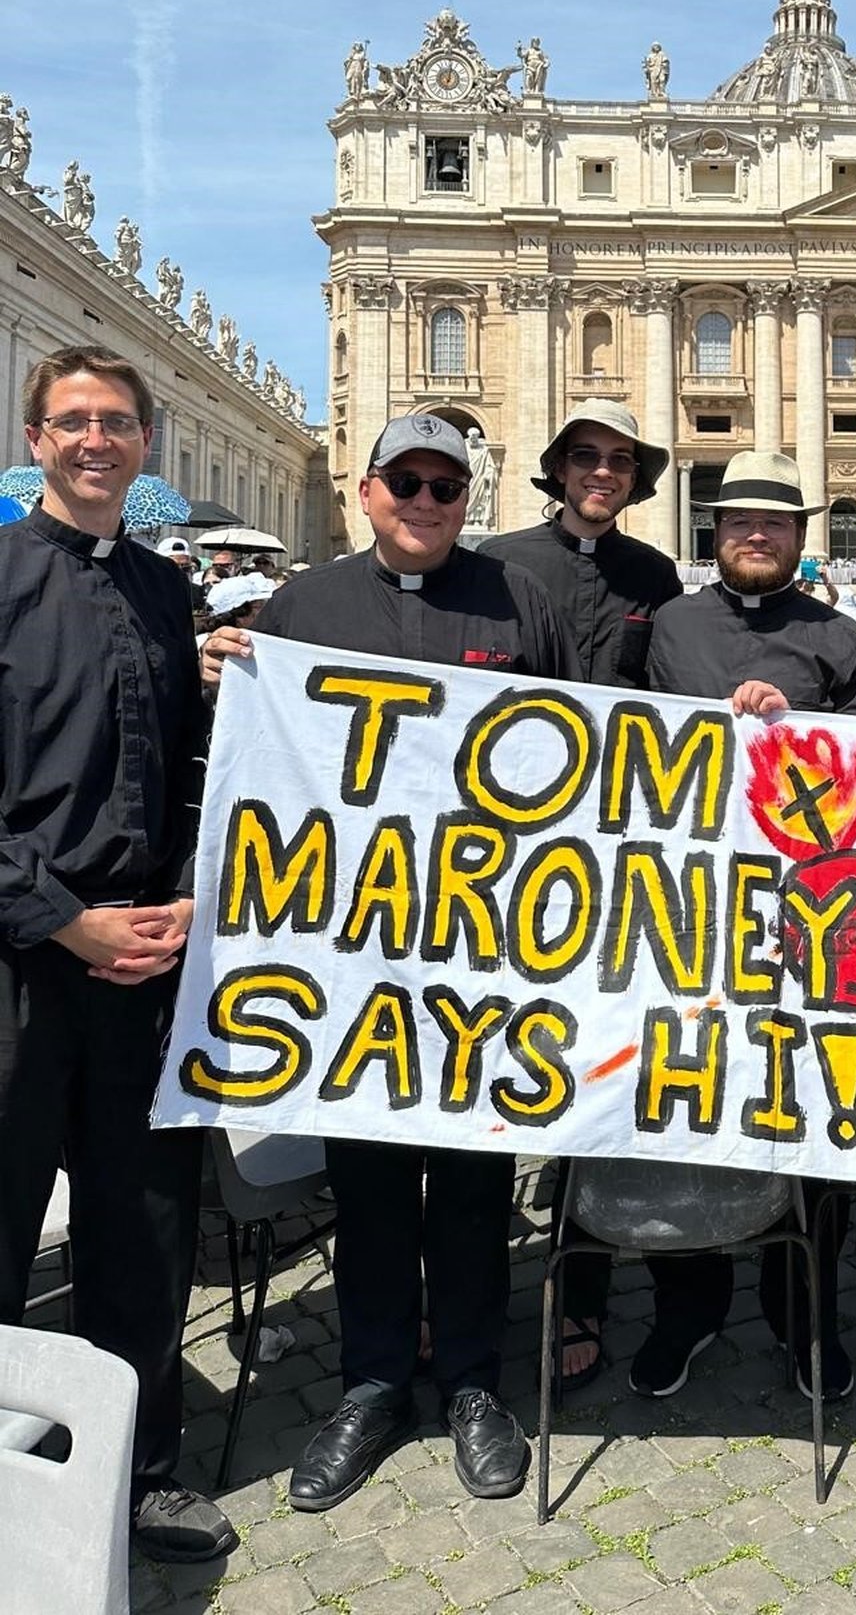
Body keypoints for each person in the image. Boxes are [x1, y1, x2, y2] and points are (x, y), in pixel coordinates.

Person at [204, 414, 576, 1512]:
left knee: (471, 1182)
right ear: (366, 492)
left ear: (469, 498)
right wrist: (223, 676)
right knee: (366, 1183)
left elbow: (585, 767)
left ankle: (470, 1381)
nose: (425, 500)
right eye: (405, 482)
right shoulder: (302, 610)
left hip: (482, 954)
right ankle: (371, 1382)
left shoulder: (522, 604)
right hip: (352, 958)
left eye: (445, 486)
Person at [0, 346, 234, 1563]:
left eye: (119, 424)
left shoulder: (159, 587)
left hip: (148, 955)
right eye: (73, 422)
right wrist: (60, 917)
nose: (97, 441)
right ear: (38, 438)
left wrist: (189, 896)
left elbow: (190, 770)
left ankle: (135, 1469)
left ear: (146, 442)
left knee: (142, 1226)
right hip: (23, 958)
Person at [633, 449, 856, 1404]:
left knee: (812, 1120)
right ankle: (686, 1306)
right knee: (685, 1115)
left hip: (811, 927)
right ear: (715, 527)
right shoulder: (670, 627)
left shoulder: (841, 636)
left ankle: (808, 1314)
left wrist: (803, 733)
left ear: (800, 535)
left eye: (773, 522)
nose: (753, 533)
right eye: (738, 518)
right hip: (689, 922)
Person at [479, 399, 681, 1382]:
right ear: (558, 468)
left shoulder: (655, 575)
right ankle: (464, 1296)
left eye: (619, 461)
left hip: (616, 862)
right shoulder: (498, 561)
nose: (602, 472)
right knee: (486, 1076)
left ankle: (578, 1295)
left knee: (589, 1084)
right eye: (586, 457)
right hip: (510, 852)